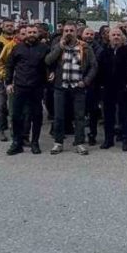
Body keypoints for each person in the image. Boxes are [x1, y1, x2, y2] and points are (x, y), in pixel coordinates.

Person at [45, 22, 98, 155]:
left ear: (76, 32)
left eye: (71, 30)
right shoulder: (58, 45)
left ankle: (79, 143)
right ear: (63, 32)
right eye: (66, 30)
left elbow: (94, 66)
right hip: (60, 87)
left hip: (78, 87)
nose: (69, 32)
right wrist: (59, 48)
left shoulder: (84, 47)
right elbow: (48, 61)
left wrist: (86, 81)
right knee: (58, 116)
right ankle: (58, 143)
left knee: (79, 116)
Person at [5, 24, 48, 155]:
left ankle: (35, 142)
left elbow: (50, 64)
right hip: (19, 86)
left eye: (34, 32)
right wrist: (8, 83)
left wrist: (50, 76)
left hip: (37, 87)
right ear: (25, 34)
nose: (32, 35)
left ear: (38, 34)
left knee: (36, 116)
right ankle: (17, 143)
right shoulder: (17, 48)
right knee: (16, 116)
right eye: (29, 32)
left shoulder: (44, 48)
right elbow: (9, 66)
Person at [97, 27, 127, 150]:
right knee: (108, 115)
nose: (116, 37)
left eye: (118, 35)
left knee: (125, 115)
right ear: (109, 37)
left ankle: (126, 139)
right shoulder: (104, 53)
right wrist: (101, 85)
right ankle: (108, 139)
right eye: (114, 35)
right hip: (108, 88)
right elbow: (99, 70)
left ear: (122, 37)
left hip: (124, 88)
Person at [0, 21, 23, 143]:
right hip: (4, 81)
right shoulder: (6, 44)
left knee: (13, 109)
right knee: (0, 106)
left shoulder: (25, 45)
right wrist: (5, 76)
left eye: (12, 26)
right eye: (7, 26)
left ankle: (14, 133)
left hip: (19, 81)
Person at [81, 26, 103, 144]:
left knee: (93, 111)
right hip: (76, 83)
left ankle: (92, 135)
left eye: (91, 34)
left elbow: (95, 65)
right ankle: (79, 136)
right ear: (82, 34)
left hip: (93, 84)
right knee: (79, 111)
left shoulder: (99, 49)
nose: (89, 36)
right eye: (87, 34)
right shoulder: (76, 45)